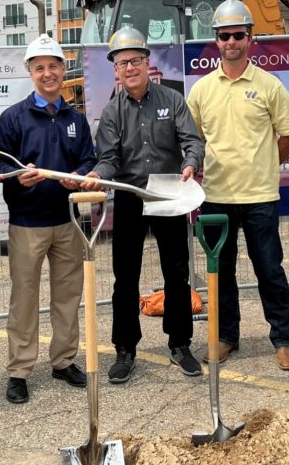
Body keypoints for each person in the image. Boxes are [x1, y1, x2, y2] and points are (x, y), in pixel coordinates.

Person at [84, 25, 204, 384]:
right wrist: (97, 173)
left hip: (169, 193)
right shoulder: (111, 113)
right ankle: (125, 348)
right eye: (122, 63)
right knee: (125, 277)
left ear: (147, 62)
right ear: (115, 71)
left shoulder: (172, 100)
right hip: (130, 196)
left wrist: (190, 163)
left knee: (177, 273)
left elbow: (192, 141)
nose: (130, 68)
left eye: (135, 60)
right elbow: (109, 159)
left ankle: (180, 344)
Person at [186, 0, 289, 371]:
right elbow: (196, 140)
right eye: (224, 36)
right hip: (216, 196)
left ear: (251, 39)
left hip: (260, 197)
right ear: (215, 42)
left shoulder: (269, 86)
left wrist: (266, 165)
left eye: (238, 34)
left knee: (269, 268)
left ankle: (283, 339)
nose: (231, 41)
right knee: (222, 273)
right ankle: (224, 336)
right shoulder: (202, 90)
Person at [0, 34, 96, 404]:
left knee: (67, 297)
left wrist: (80, 174)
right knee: (24, 298)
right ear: (30, 73)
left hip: (67, 220)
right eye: (40, 68)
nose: (47, 73)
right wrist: (16, 175)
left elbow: (88, 158)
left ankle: (64, 361)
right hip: (26, 223)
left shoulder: (75, 119)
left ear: (63, 70)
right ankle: (19, 370)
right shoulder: (13, 118)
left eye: (53, 66)